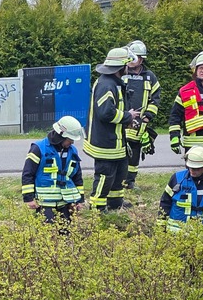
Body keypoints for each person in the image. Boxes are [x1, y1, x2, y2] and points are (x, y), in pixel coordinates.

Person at [84, 47, 140, 212]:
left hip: (116, 143)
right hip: (105, 144)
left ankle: (115, 203)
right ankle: (97, 207)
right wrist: (127, 117)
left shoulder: (114, 83)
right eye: (127, 65)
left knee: (119, 174)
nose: (129, 67)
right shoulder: (106, 85)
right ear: (121, 66)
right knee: (105, 176)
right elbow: (105, 112)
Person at [23, 116, 86, 223]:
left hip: (66, 203)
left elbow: (77, 177)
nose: (72, 143)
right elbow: (28, 174)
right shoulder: (38, 148)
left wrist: (80, 200)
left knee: (65, 234)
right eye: (70, 139)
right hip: (45, 203)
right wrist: (28, 198)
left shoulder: (73, 151)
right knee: (48, 234)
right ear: (61, 136)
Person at [122, 40, 162, 189]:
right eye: (131, 57)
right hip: (122, 119)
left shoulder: (150, 76)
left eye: (136, 57)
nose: (132, 60)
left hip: (141, 122)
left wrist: (147, 117)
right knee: (121, 151)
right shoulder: (122, 72)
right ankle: (119, 181)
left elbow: (155, 98)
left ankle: (130, 182)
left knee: (135, 151)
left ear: (142, 59)